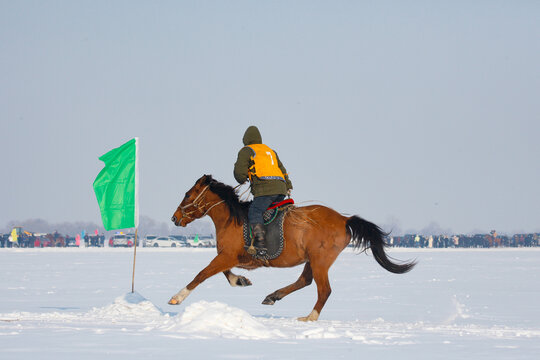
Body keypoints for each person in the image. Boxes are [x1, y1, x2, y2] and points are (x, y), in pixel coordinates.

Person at [234, 126, 293, 252]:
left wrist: (242, 178)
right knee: (272, 213)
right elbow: (282, 170)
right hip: (281, 189)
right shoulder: (270, 151)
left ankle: (260, 243)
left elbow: (239, 173)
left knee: (255, 211)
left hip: (265, 190)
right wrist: (288, 186)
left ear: (246, 139)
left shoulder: (247, 150)